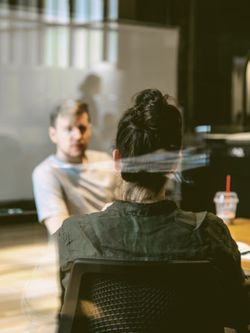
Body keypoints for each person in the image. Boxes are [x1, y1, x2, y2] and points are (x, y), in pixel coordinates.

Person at [57, 89, 249, 326]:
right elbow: (239, 310)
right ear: (176, 163)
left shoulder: (74, 234)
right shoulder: (209, 232)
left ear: (117, 160)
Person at [32, 99, 118, 235]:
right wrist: (107, 217)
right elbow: (61, 233)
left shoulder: (104, 161)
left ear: (89, 130)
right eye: (68, 129)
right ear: (53, 134)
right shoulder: (46, 172)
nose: (77, 136)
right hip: (79, 254)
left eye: (82, 128)